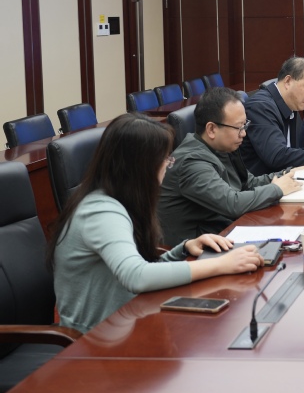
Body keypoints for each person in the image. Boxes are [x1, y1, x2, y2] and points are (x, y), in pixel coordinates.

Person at [48, 113, 264, 334]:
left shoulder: (121, 200)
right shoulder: (101, 211)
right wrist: (221, 264)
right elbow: (137, 276)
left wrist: (183, 250)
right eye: (165, 160)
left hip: (128, 319)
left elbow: (141, 269)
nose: (168, 166)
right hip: (94, 339)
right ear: (141, 166)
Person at [158, 87, 304, 245]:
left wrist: (287, 174)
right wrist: (277, 189)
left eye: (245, 125)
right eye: (239, 127)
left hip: (221, 233)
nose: (244, 133)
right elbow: (232, 203)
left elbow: (248, 183)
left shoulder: (221, 147)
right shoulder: (191, 162)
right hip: (195, 249)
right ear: (212, 129)